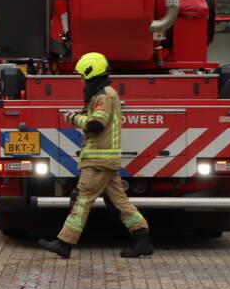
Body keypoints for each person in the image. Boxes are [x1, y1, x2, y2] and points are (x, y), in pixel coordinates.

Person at [37, 52, 154, 259]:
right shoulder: (105, 94)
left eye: (83, 76)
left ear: (91, 74)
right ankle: (142, 239)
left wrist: (73, 118)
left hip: (99, 160)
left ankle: (64, 243)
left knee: (82, 200)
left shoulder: (103, 96)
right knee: (120, 202)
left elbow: (96, 124)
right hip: (104, 160)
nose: (82, 81)